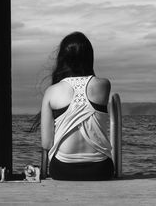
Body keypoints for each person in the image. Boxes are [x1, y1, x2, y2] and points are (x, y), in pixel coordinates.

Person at [39, 31, 114, 180]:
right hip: (100, 170)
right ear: (89, 57)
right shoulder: (103, 85)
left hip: (62, 170)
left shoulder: (51, 92)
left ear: (62, 59)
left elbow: (46, 143)